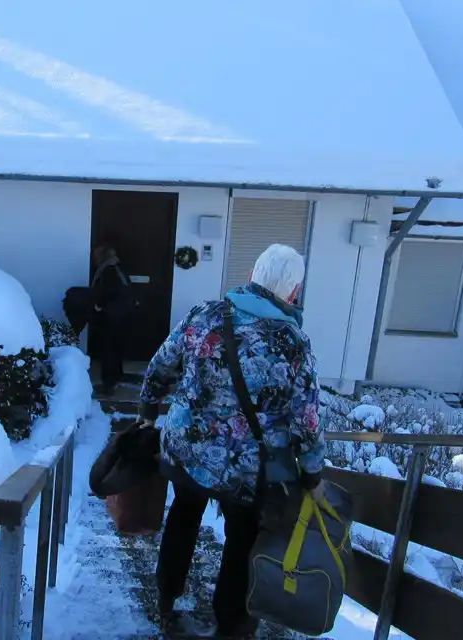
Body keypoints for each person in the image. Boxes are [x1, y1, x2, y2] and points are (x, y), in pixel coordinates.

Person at [137, 243, 326, 638]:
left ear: (252, 276)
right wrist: (312, 473)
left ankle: (167, 602)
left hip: (187, 449)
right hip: (245, 466)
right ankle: (229, 624)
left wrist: (148, 410)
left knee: (183, 514)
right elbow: (305, 417)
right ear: (293, 292)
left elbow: (160, 365)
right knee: (242, 537)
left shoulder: (205, 314)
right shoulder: (292, 341)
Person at [90, 244, 135, 393]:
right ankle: (117, 376)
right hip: (121, 315)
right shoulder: (118, 267)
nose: (94, 258)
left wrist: (99, 306)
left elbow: (107, 291)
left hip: (111, 315)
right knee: (116, 347)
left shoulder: (108, 270)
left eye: (96, 255)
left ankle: (108, 384)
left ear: (103, 256)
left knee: (107, 349)